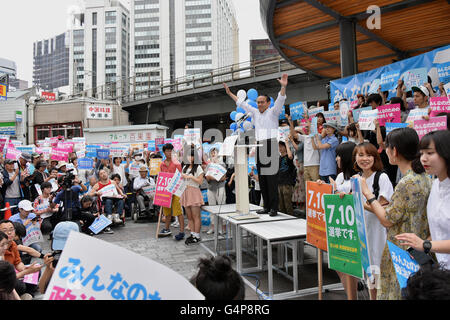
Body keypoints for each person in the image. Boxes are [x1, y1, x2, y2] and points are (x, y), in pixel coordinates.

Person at [360, 127, 432, 300]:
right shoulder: (424, 177)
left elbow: (387, 220)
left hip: (400, 251)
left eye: (387, 147)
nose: (385, 150)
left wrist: (368, 195)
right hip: (418, 249)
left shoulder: (406, 183)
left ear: (395, 151)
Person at [224, 74, 288, 217]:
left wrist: (283, 86)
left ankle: (273, 208)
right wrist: (229, 93)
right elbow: (241, 103)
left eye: (262, 102)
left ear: (268, 102)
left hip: (270, 145)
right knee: (262, 179)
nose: (259, 104)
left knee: (271, 179)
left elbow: (280, 99)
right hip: (259, 146)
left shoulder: (273, 112)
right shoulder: (254, 113)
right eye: (258, 102)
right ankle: (266, 206)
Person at [396, 130, 450, 269]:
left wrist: (426, 245)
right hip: (443, 269)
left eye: (430, 153)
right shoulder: (436, 185)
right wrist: (418, 247)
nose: (423, 158)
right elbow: (439, 232)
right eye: (421, 153)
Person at [353, 142, 394, 299]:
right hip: (365, 235)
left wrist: (362, 203)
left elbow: (384, 211)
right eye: (361, 155)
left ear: (375, 157)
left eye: (369, 155)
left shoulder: (381, 177)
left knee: (379, 274)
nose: (365, 159)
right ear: (355, 158)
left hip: (379, 235)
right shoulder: (358, 179)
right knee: (371, 275)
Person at [0, 220, 43, 297]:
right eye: (5, 230)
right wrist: (26, 271)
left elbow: (18, 262)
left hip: (12, 274)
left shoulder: (13, 244)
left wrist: (26, 269)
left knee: (35, 270)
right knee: (19, 285)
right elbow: (5, 278)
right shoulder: (2, 250)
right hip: (5, 279)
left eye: (11, 229)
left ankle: (29, 293)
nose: (9, 233)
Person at [38, 221, 80, 294]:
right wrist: (48, 268)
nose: (63, 250)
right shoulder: (55, 258)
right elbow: (42, 290)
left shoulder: (85, 258)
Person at [158, 144, 185, 240]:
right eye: (167, 151)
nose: (169, 153)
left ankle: (181, 232)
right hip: (166, 192)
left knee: (178, 211)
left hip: (176, 191)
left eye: (171, 151)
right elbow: (161, 177)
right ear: (164, 152)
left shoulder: (177, 163)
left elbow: (181, 177)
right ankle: (167, 229)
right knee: (167, 212)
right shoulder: (162, 164)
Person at [181, 150, 205, 245]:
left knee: (196, 216)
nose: (190, 158)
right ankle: (192, 234)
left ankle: (197, 236)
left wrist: (191, 177)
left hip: (194, 192)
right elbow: (182, 179)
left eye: (192, 156)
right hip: (185, 191)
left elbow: (200, 181)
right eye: (188, 156)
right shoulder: (184, 167)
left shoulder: (198, 167)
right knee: (189, 216)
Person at [204, 147, 227, 234]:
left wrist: (214, 177)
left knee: (222, 207)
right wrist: (216, 177)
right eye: (212, 153)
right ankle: (213, 227)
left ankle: (223, 228)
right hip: (210, 188)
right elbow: (207, 177)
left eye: (215, 152)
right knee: (212, 208)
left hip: (220, 188)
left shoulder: (222, 164)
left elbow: (223, 178)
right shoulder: (209, 165)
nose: (213, 154)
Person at [277, 139, 296, 216]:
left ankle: (290, 218)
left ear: (285, 147)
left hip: (287, 182)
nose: (280, 148)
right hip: (279, 182)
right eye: (279, 147)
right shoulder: (279, 158)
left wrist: (287, 143)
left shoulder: (288, 157)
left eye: (281, 146)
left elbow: (290, 156)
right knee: (281, 204)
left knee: (287, 202)